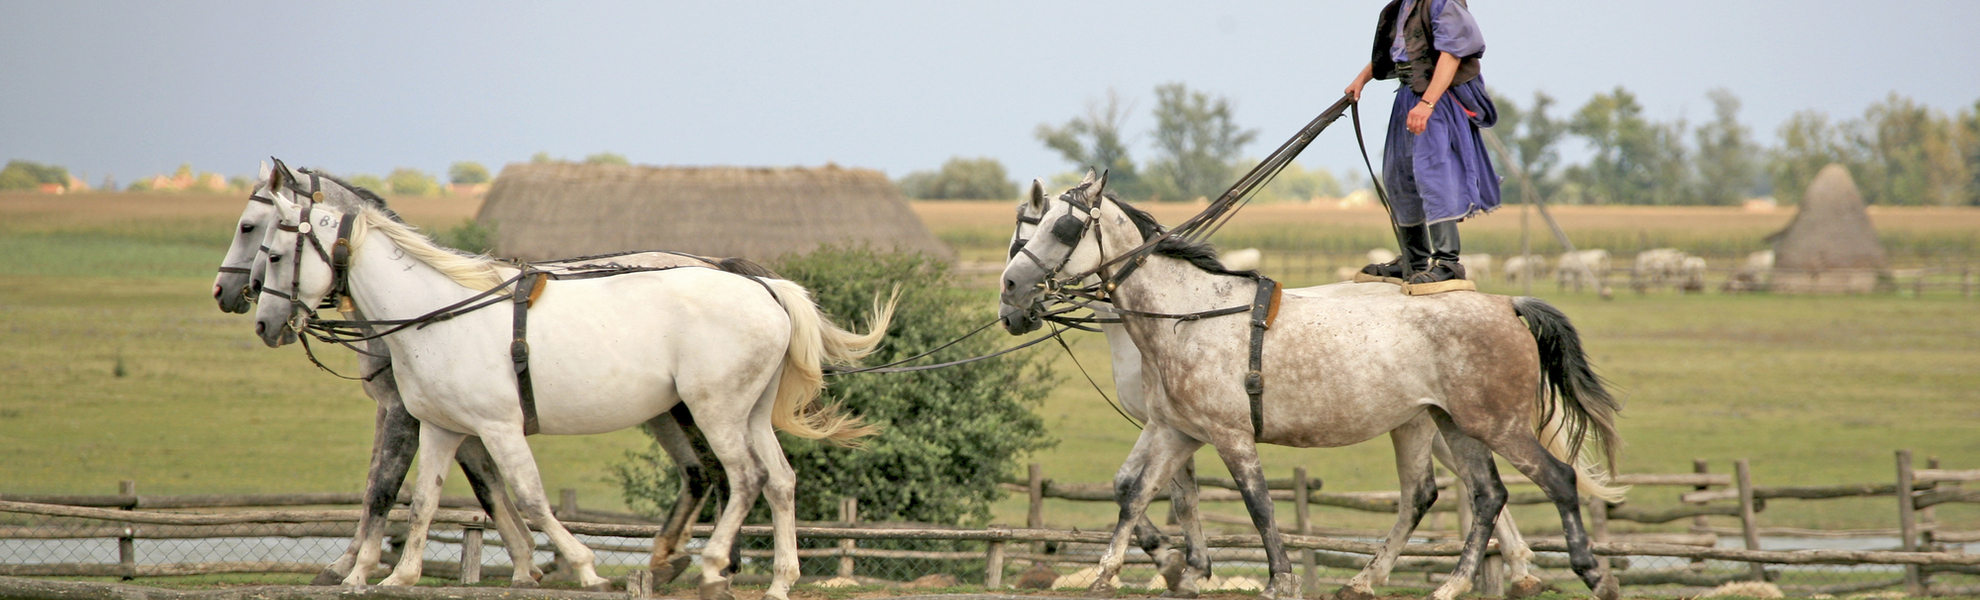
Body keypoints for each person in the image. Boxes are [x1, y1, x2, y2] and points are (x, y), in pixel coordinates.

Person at [1346, 0, 1499, 294]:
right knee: (1398, 175)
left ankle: (1447, 263)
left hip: (1435, 99)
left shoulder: (1443, 1)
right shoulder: (1405, 4)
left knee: (1434, 175)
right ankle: (1414, 261)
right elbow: (1400, 54)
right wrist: (1361, 79)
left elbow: (1452, 53)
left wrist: (1428, 103)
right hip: (1407, 94)